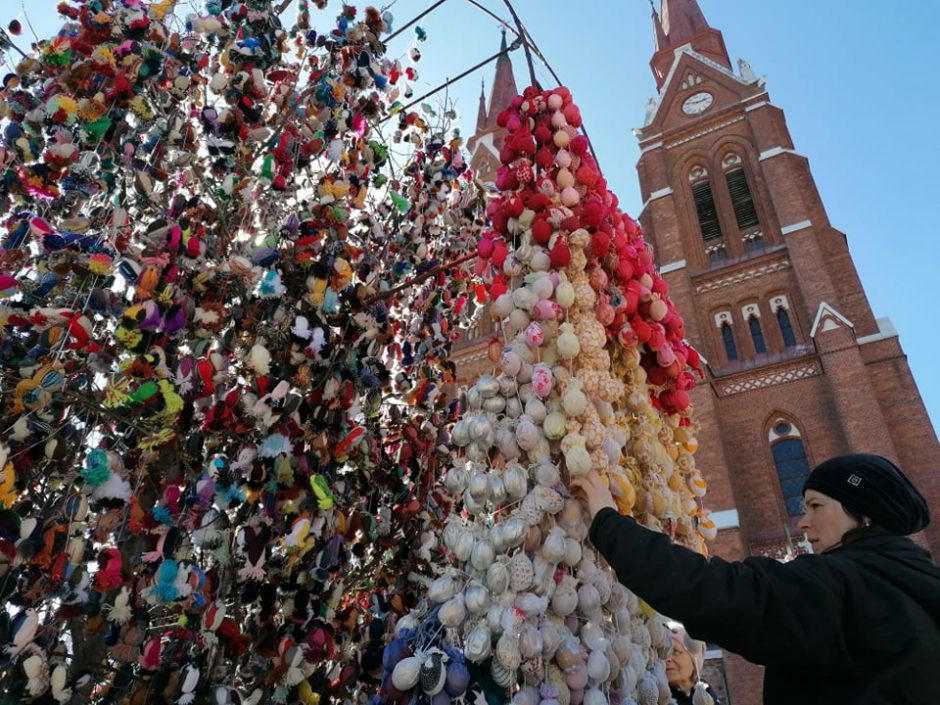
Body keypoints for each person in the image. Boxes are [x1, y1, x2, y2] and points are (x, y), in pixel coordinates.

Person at [571, 453, 940, 705]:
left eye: (816, 506)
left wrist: (607, 521)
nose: (803, 521)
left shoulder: (843, 582)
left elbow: (717, 592)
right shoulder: (918, 583)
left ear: (865, 515)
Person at [666, 624, 721, 705]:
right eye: (662, 652)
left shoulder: (707, 691)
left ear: (695, 660)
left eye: (675, 651)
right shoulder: (657, 697)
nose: (667, 659)